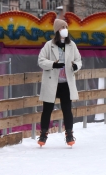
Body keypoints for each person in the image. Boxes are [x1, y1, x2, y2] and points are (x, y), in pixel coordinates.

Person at [37, 19, 82, 147]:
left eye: (66, 27)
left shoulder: (71, 45)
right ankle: (43, 133)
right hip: (52, 82)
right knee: (47, 109)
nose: (65, 29)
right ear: (57, 30)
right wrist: (53, 65)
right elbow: (41, 60)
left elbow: (79, 60)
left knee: (67, 109)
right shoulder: (48, 45)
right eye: (62, 27)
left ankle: (69, 134)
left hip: (66, 82)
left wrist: (75, 67)